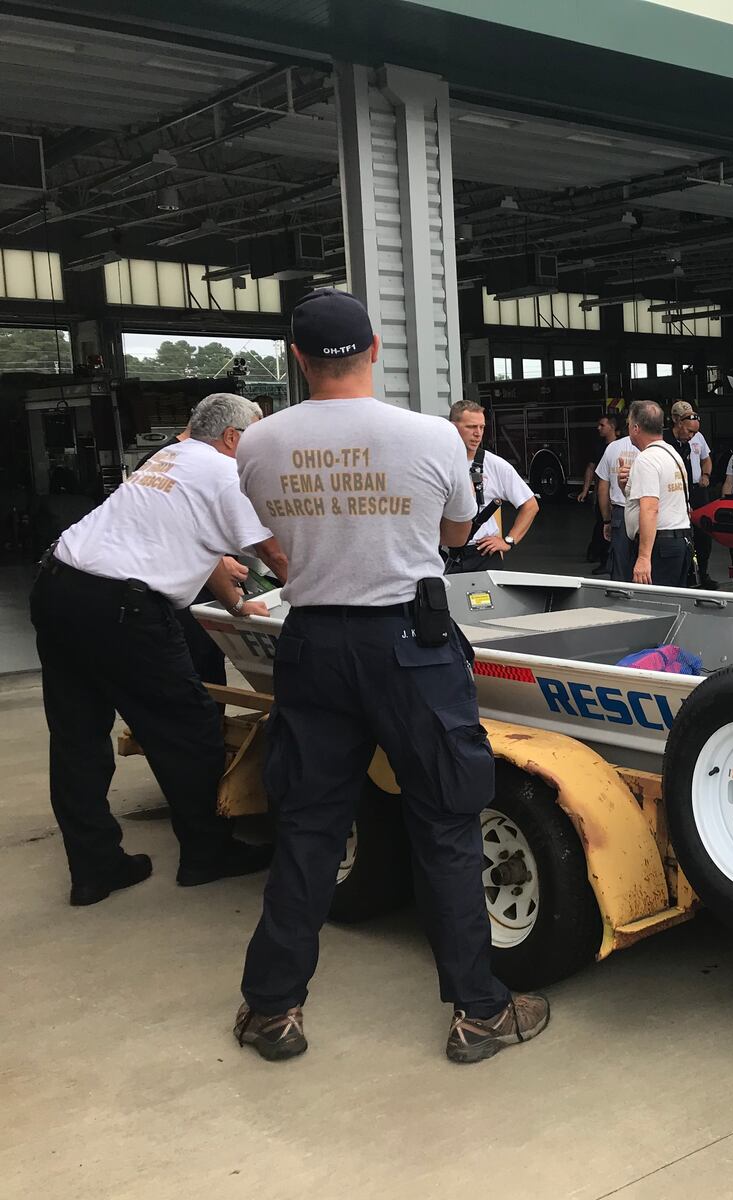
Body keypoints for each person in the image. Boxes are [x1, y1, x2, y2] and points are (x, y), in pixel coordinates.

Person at [233, 289, 546, 1064]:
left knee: (308, 825)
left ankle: (273, 1008)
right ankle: (479, 1010)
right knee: (444, 822)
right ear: (374, 348)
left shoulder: (258, 444)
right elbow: (453, 532)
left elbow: (273, 535)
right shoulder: (432, 438)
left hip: (311, 644)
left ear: (298, 357)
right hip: (410, 643)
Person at [31, 392, 286, 907]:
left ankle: (94, 869)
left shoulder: (168, 459)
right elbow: (276, 551)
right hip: (121, 610)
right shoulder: (224, 472)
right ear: (234, 438)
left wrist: (236, 603)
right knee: (191, 728)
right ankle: (207, 856)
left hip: (59, 586)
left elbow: (195, 539)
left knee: (77, 737)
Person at [136, 409, 262, 686]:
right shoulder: (184, 461)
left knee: (206, 666)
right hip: (168, 595)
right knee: (196, 675)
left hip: (189, 587)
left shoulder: (170, 456)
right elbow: (172, 533)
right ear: (230, 436)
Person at [442, 400, 539, 574]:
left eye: (481, 427)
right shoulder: (438, 464)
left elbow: (530, 506)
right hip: (443, 554)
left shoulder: (495, 465)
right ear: (452, 428)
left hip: (482, 554)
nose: (478, 434)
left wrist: (508, 541)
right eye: (471, 427)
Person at [625, 399, 694, 588]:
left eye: (629, 424)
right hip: (679, 542)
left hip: (659, 547)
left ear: (636, 428)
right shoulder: (671, 453)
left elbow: (650, 508)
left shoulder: (646, 460)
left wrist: (644, 558)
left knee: (655, 608)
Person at [669, 401, 717, 590]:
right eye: (689, 431)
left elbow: (706, 459)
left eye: (695, 432)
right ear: (677, 421)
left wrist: (706, 474)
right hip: (677, 493)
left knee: (703, 534)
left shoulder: (696, 438)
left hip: (698, 491)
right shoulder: (667, 441)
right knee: (682, 535)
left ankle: (703, 573)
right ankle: (685, 575)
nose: (692, 436)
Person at [595, 415, 640, 582]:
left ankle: (621, 602)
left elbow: (602, 488)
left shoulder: (612, 448)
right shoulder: (653, 449)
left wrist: (606, 520)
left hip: (620, 515)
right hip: (648, 512)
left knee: (620, 567)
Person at [577, 412, 620, 573]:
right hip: (603, 494)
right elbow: (591, 467)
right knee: (602, 524)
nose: (599, 428)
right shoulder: (599, 447)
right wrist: (585, 490)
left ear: (612, 427)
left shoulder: (622, 446)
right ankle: (600, 556)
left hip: (618, 495)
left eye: (602, 425)